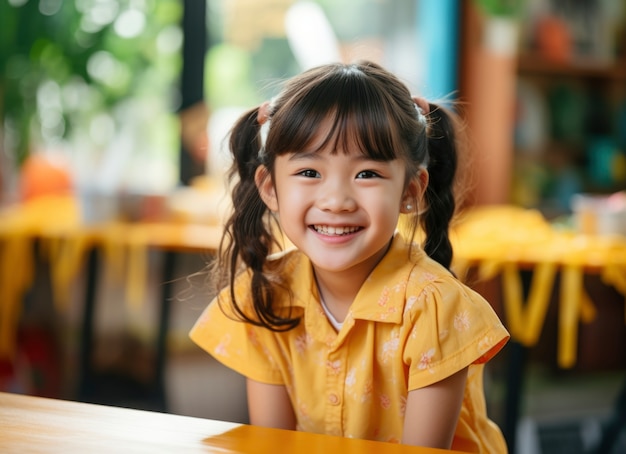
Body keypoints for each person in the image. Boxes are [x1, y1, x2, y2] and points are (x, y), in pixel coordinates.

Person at [190, 60, 510, 452]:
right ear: (270, 188)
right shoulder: (266, 295)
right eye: (309, 172)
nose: (337, 201)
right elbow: (274, 446)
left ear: (410, 192)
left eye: (367, 174)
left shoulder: (434, 308)